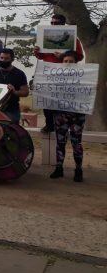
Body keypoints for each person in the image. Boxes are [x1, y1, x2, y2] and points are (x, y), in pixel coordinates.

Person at [34, 13, 85, 133]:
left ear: (63, 24)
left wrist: (63, 56)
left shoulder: (73, 38)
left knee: (61, 102)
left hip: (65, 75)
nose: (53, 25)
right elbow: (41, 56)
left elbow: (79, 56)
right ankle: (49, 124)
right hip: (48, 73)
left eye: (56, 23)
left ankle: (62, 125)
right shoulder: (43, 37)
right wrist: (36, 51)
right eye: (51, 23)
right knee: (46, 101)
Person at [50, 50, 86, 182]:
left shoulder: (84, 77)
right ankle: (59, 168)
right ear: (62, 62)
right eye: (65, 61)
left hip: (78, 115)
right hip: (60, 114)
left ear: (76, 63)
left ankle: (78, 169)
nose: (68, 63)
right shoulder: (55, 76)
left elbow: (89, 93)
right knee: (60, 142)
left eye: (71, 61)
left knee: (76, 143)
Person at [0, 48, 29, 124]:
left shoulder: (19, 74)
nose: (3, 60)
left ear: (12, 59)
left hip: (12, 109)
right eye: (1, 58)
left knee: (11, 131)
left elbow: (26, 92)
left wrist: (15, 92)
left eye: (6, 59)